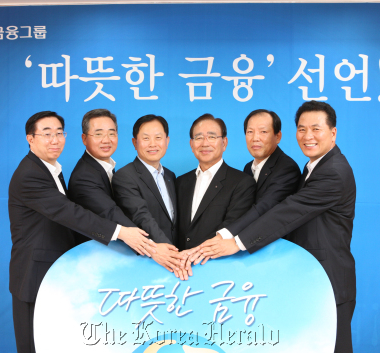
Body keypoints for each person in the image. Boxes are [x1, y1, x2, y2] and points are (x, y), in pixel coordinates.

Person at [196, 101, 356, 353]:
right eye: (302, 129)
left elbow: (289, 211)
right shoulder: (314, 166)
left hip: (330, 280)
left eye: (316, 129)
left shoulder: (333, 173)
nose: (308, 136)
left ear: (333, 133)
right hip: (306, 276)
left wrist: (236, 242)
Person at [8, 111, 152, 353]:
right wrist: (122, 232)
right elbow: (70, 213)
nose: (55, 140)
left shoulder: (51, 169)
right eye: (46, 134)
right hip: (34, 277)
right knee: (34, 351)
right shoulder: (29, 174)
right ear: (30, 139)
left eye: (59, 133)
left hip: (56, 273)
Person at [204, 109, 301, 256]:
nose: (255, 138)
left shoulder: (287, 168)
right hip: (248, 251)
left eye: (263, 132)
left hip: (275, 252)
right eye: (250, 132)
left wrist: (224, 235)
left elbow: (264, 208)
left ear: (278, 136)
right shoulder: (248, 168)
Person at [68, 109, 156, 257]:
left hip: (112, 254)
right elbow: (111, 213)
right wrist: (154, 247)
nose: (106, 140)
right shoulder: (84, 176)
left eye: (111, 133)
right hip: (95, 259)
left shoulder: (106, 168)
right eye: (98, 134)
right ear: (84, 139)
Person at [175, 113, 256, 253]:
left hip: (218, 265)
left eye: (212, 137)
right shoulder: (180, 181)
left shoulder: (242, 182)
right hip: (178, 265)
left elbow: (232, 226)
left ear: (224, 143)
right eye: (199, 138)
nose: (205, 143)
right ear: (191, 144)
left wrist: (194, 254)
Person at [112, 114, 181, 275]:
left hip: (173, 259)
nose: (153, 144)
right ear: (135, 142)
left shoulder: (170, 176)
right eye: (146, 138)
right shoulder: (125, 176)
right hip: (148, 260)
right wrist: (171, 254)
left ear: (167, 141)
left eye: (158, 137)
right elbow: (141, 216)